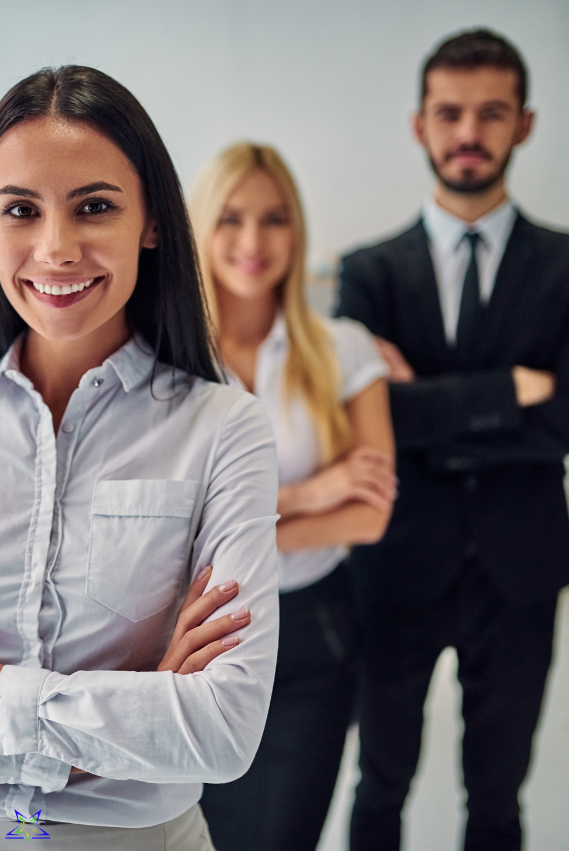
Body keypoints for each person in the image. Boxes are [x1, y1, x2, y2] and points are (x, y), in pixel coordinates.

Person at [0, 65, 280, 851]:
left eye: (94, 207)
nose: (56, 249)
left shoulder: (223, 427)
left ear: (152, 223)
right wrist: (121, 727)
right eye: (21, 211)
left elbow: (222, 730)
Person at [336, 29, 569, 851]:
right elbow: (362, 422)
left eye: (491, 113)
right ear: (419, 125)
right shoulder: (367, 274)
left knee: (499, 800)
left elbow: (565, 418)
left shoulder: (567, 267)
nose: (468, 132)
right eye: (450, 113)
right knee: (379, 790)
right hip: (396, 562)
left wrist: (425, 408)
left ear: (526, 124)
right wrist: (511, 390)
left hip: (523, 567)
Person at [190, 143, 394, 851]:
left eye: (273, 219)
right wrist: (313, 493)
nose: (252, 241)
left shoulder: (344, 348)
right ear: (201, 229)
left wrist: (234, 526)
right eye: (232, 219)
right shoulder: (168, 360)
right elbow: (176, 528)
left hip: (313, 633)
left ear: (296, 231)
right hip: (195, 634)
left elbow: (367, 514)